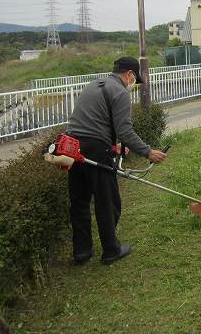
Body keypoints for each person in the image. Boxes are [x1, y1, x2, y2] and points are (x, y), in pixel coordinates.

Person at [66, 57, 167, 265]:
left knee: (79, 201)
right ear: (130, 74)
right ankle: (111, 250)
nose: (132, 82)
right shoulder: (119, 91)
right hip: (95, 150)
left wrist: (113, 146)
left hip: (72, 146)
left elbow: (90, 123)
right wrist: (148, 152)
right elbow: (125, 130)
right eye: (133, 78)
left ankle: (82, 251)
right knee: (108, 201)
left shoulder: (94, 85)